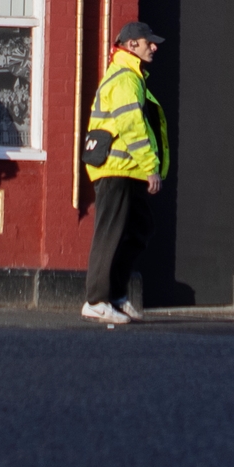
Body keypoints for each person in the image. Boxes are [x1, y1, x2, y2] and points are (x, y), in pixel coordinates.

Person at [81, 22, 166, 326]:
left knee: (139, 229)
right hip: (117, 169)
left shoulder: (132, 77)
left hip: (127, 170)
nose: (153, 47)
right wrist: (150, 167)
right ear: (132, 45)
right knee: (110, 233)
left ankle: (115, 295)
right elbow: (132, 126)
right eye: (148, 42)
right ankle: (96, 300)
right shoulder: (125, 78)